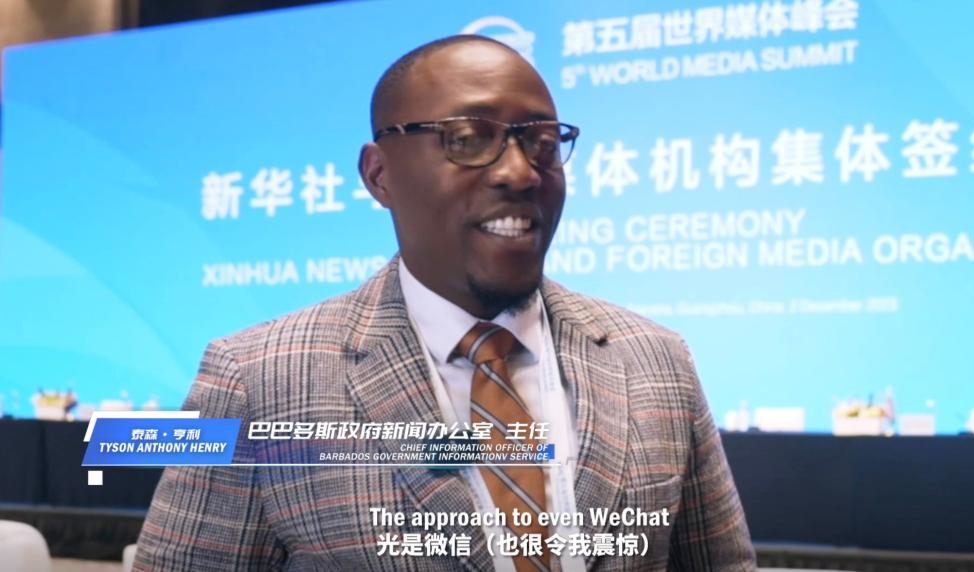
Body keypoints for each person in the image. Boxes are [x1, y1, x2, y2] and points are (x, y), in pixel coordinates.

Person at [134, 35, 755, 571]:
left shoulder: (656, 360)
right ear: (379, 175)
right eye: (468, 138)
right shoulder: (255, 379)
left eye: (542, 141)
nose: (521, 172)